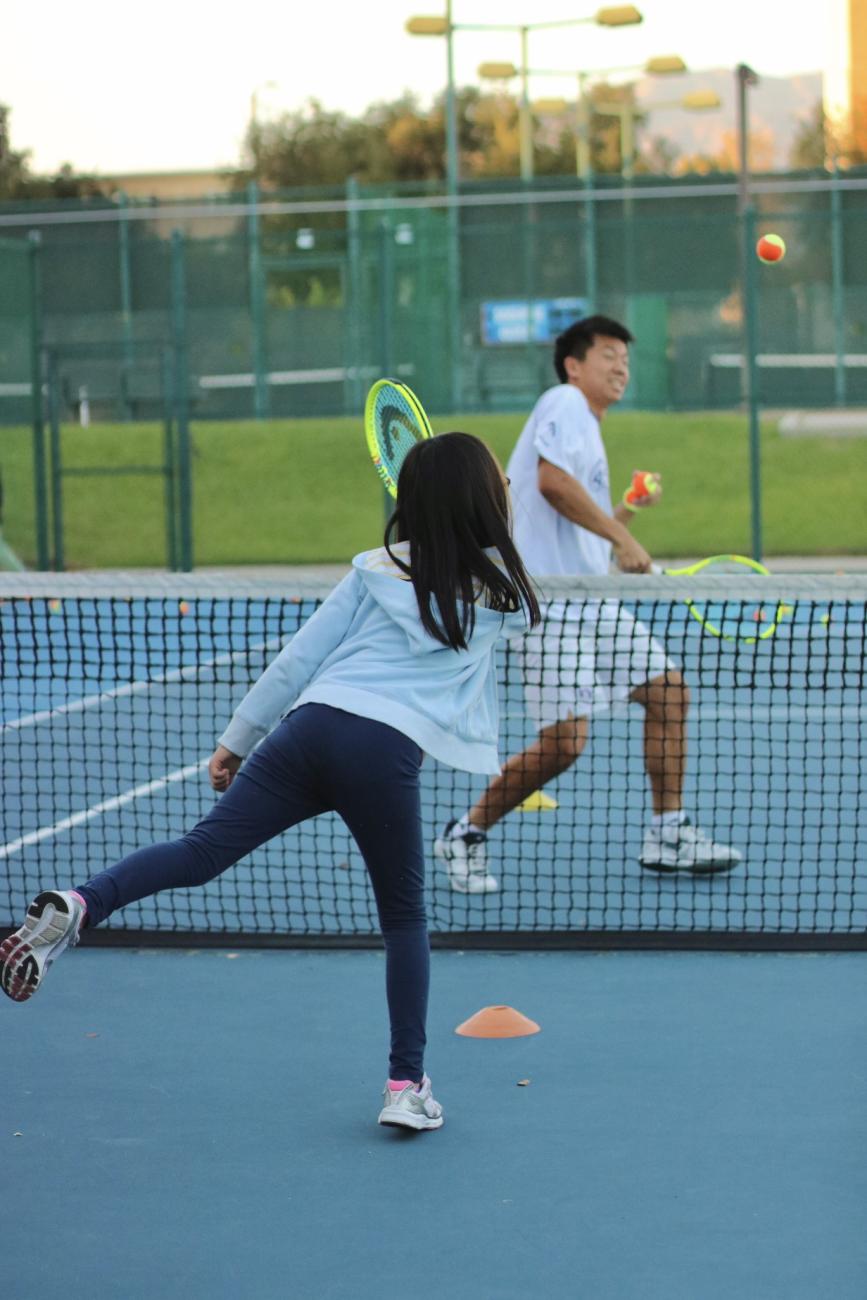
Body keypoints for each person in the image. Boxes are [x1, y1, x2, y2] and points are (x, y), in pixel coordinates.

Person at [0, 432, 540, 1132]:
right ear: (485, 504)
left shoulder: (373, 568)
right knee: (404, 919)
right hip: (380, 751)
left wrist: (236, 739)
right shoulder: (500, 597)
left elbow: (298, 658)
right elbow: (524, 596)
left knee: (199, 852)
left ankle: (77, 905)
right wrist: (500, 509)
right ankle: (405, 1084)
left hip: (307, 729)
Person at [435, 315, 742, 894]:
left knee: (668, 692)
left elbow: (575, 529)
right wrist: (625, 538)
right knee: (564, 744)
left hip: (592, 601)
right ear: (574, 365)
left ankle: (667, 833)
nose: (621, 365)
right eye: (607, 354)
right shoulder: (564, 403)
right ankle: (465, 833)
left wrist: (625, 512)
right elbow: (552, 485)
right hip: (550, 605)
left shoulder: (586, 429)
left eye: (625, 357)